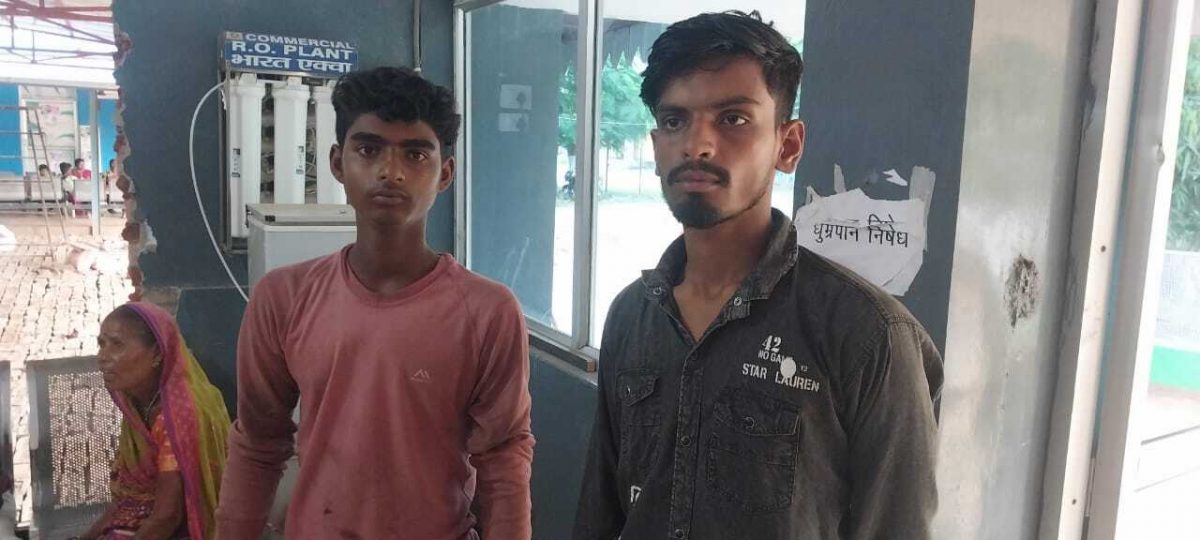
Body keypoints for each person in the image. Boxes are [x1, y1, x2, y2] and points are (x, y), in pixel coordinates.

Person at [574, 11, 943, 540]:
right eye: (675, 121)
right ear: (655, 148)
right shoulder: (633, 314)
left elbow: (896, 527)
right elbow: (601, 511)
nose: (696, 144)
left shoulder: (868, 335)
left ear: (787, 146)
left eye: (733, 119)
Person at [217, 67, 534, 539]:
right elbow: (257, 444)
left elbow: (504, 461)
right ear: (337, 163)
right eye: (369, 150)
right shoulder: (283, 297)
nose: (391, 171)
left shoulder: (488, 312)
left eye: (415, 154)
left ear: (445, 173)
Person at [79, 303, 231, 539]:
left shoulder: (179, 415)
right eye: (102, 344)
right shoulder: (137, 404)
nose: (103, 357)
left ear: (157, 353)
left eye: (117, 345)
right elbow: (124, 501)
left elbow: (168, 516)